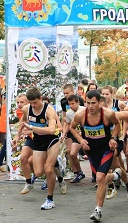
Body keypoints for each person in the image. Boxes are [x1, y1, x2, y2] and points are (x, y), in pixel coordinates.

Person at [69, 90, 121, 221]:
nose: (90, 106)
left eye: (93, 103)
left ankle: (98, 210)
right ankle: (116, 175)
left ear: (99, 103)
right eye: (88, 103)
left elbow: (117, 124)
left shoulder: (108, 114)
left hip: (106, 149)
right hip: (91, 151)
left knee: (99, 178)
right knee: (101, 178)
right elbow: (72, 128)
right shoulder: (80, 115)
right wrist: (81, 140)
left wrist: (113, 138)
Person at [13, 87, 62, 210]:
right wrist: (17, 136)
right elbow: (22, 123)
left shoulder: (49, 111)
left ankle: (50, 199)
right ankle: (57, 162)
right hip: (38, 140)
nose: (33, 105)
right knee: (39, 172)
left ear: (40, 98)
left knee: (48, 169)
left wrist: (31, 128)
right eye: (31, 103)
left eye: (35, 102)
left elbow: (51, 130)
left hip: (52, 139)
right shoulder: (26, 109)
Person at [62, 95, 86, 183]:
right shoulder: (69, 113)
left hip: (87, 134)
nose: (71, 106)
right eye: (70, 104)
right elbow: (68, 124)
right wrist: (63, 134)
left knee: (91, 154)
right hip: (77, 136)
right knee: (72, 153)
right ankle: (79, 172)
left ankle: (96, 174)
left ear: (78, 103)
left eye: (73, 104)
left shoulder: (84, 110)